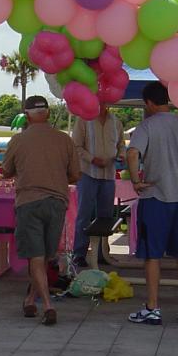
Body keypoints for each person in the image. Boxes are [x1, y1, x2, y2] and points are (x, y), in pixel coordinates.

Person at [125, 82, 178, 326]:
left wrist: (136, 180)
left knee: (152, 255)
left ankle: (153, 307)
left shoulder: (146, 126)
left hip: (155, 197)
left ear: (148, 103)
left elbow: (132, 152)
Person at [1, 95, 79, 325]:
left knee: (36, 257)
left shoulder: (18, 140)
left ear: (26, 116)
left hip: (28, 201)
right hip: (56, 202)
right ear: (46, 113)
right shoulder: (64, 140)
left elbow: (6, 171)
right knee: (45, 255)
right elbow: (76, 175)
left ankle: (47, 304)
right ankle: (29, 299)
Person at [70, 101, 125, 268]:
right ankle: (79, 253)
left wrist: (121, 155)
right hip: (87, 173)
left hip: (108, 174)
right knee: (84, 214)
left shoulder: (116, 121)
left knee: (106, 216)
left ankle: (102, 253)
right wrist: (91, 159)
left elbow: (121, 144)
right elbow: (76, 146)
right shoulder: (83, 120)